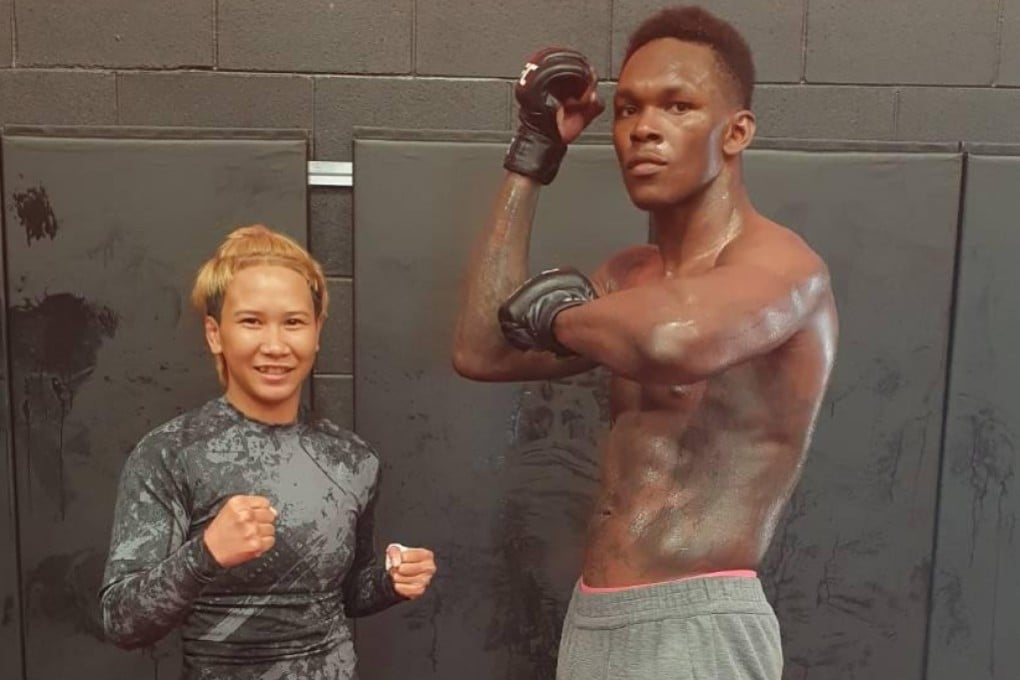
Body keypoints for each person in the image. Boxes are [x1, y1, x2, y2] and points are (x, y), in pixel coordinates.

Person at [452, 6, 837, 679]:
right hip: (597, 617)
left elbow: (673, 340)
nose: (644, 130)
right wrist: (532, 154)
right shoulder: (628, 278)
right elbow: (483, 348)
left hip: (700, 623)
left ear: (736, 132)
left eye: (677, 106)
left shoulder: (784, 268)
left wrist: (554, 317)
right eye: (627, 110)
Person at [100, 225, 436, 679]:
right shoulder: (170, 454)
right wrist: (206, 554)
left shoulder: (353, 459)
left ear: (317, 333)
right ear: (215, 334)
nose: (275, 345)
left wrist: (391, 580)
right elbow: (122, 621)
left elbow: (346, 594)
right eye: (252, 321)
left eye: (294, 322)